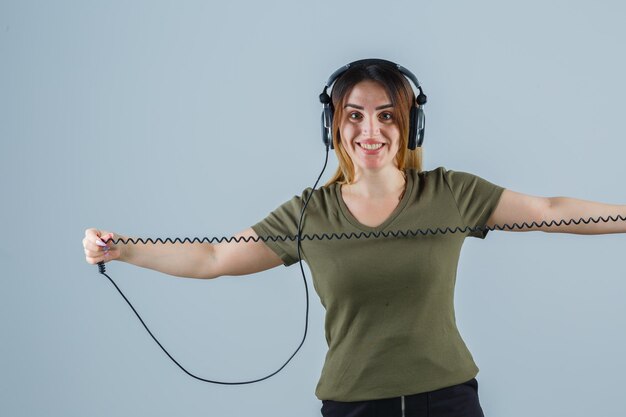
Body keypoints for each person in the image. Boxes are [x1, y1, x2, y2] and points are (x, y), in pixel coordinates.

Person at [83, 60, 626, 417]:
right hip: (354, 405)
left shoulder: (452, 193)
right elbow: (214, 257)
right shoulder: (309, 212)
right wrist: (123, 248)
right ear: (334, 127)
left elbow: (549, 210)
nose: (371, 130)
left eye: (388, 115)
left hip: (450, 401)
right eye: (355, 115)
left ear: (410, 125)